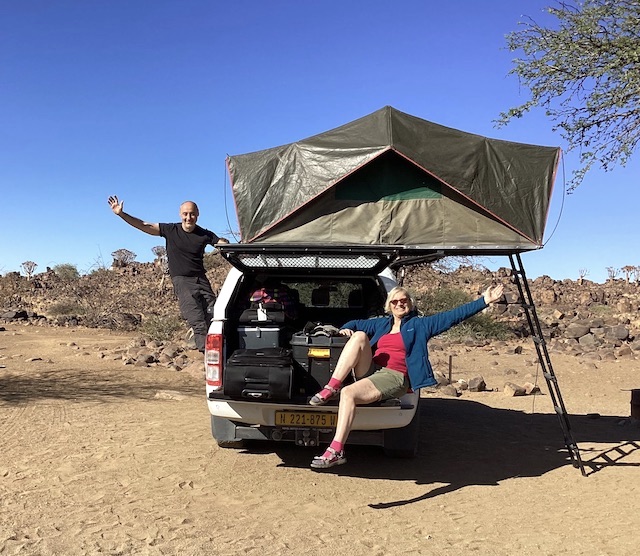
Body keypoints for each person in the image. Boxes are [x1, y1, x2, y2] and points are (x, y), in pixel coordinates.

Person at [309, 283, 504, 469]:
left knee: (348, 393)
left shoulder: (420, 325)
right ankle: (332, 386)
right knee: (359, 335)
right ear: (389, 306)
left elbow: (452, 316)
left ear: (410, 304)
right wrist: (345, 328)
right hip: (372, 370)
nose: (399, 304)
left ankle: (336, 450)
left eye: (404, 301)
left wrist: (484, 301)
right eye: (395, 302)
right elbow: (355, 323)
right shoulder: (382, 324)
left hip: (395, 376)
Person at [107, 195, 229, 352]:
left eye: (192, 214)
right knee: (197, 320)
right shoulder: (171, 230)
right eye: (185, 214)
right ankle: (208, 357)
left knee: (215, 315)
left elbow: (221, 244)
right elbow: (144, 225)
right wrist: (122, 214)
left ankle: (215, 350)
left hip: (201, 280)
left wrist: (230, 245)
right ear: (180, 214)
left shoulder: (205, 234)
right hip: (182, 281)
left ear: (197, 214)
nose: (188, 217)